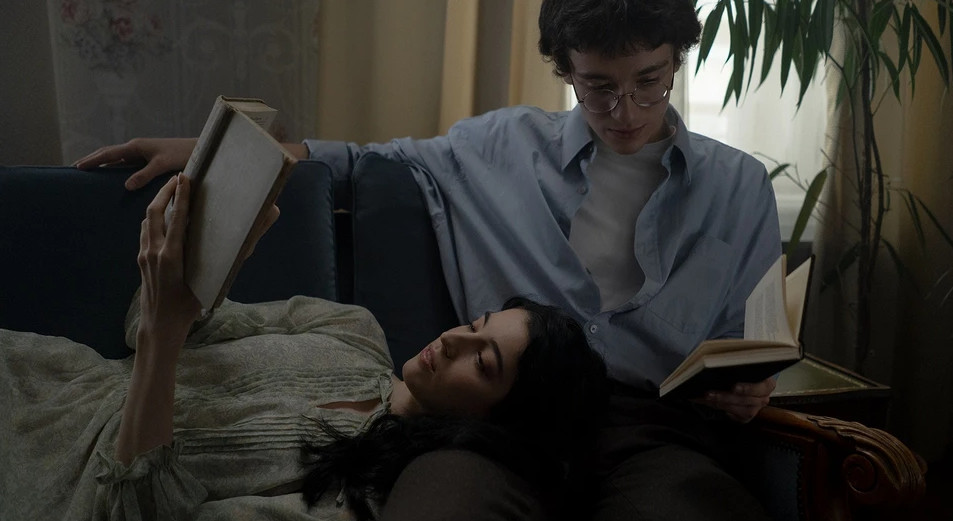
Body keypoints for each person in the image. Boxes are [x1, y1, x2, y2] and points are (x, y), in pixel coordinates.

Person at [73, 1, 782, 518]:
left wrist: (749, 391)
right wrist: (211, 153)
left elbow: (745, 344)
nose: (626, 110)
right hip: (494, 423)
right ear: (566, 71)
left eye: (649, 81)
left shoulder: (739, 186)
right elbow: (362, 164)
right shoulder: (500, 146)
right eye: (600, 87)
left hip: (651, 428)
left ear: (676, 61)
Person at [0, 173, 609, 521]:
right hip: (41, 378)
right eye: (476, 324)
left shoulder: (349, 499)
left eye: (483, 360)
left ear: (496, 426)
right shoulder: (352, 330)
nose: (453, 339)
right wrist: (211, 262)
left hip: (55, 492)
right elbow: (148, 322)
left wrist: (163, 337)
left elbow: (138, 509)